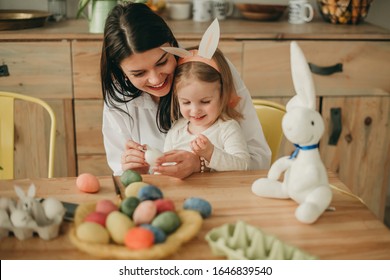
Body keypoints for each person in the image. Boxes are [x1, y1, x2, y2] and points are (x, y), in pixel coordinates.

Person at [101, 2, 271, 179]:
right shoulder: (119, 100)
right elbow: (122, 175)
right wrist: (136, 171)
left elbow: (259, 161)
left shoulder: (210, 69)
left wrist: (201, 164)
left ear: (172, 44)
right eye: (139, 73)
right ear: (122, 72)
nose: (156, 79)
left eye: (162, 62)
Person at [161, 20, 250, 172]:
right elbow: (164, 166)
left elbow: (243, 166)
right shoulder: (177, 130)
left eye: (205, 101)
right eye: (186, 102)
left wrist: (211, 154)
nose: (195, 111)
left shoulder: (227, 128)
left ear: (223, 94)